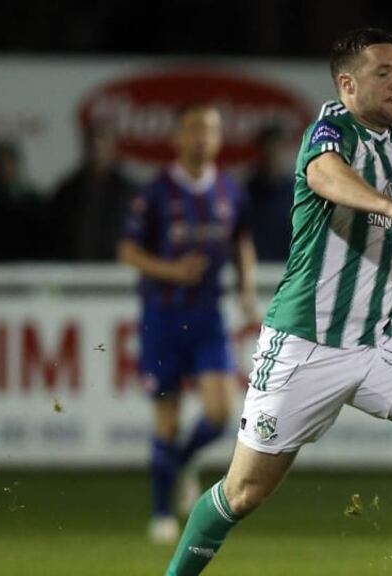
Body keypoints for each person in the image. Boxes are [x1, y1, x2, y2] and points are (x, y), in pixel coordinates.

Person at [163, 28, 392, 576]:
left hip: (377, 343)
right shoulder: (328, 131)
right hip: (304, 344)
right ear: (347, 83)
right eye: (383, 73)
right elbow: (325, 176)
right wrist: (389, 210)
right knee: (243, 494)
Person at [118, 103, 259, 544]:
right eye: (195, 129)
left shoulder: (230, 192)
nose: (203, 137)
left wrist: (247, 289)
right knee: (168, 418)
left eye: (211, 130)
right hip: (162, 318)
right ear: (177, 137)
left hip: (208, 317)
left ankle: (179, 464)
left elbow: (242, 242)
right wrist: (172, 271)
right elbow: (128, 250)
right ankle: (161, 514)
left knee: (220, 415)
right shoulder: (155, 192)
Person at [50, 122, 136, 261]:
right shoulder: (66, 191)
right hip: (72, 274)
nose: (96, 147)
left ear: (113, 147)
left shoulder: (128, 192)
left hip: (116, 274)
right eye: (91, 142)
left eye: (102, 140)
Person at [245, 123, 295, 261]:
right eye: (268, 151)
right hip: (256, 270)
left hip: (287, 271)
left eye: (278, 150)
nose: (273, 156)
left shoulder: (297, 193)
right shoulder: (245, 192)